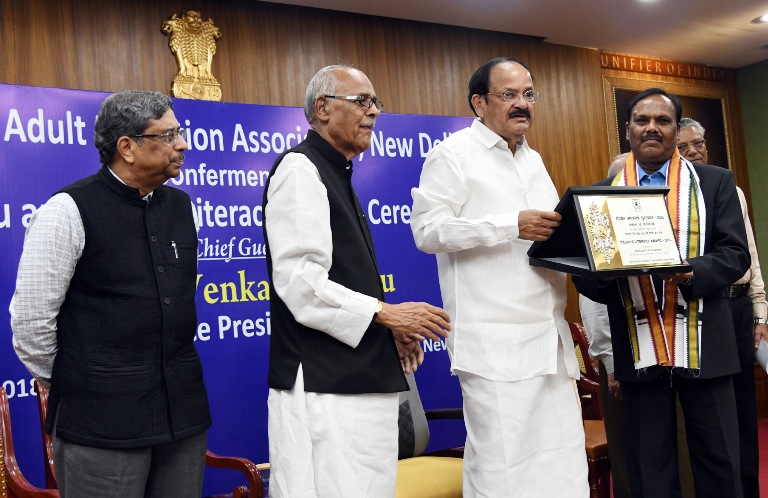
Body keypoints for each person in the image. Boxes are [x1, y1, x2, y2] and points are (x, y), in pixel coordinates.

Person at [261, 64, 451, 498]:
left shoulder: (337, 172)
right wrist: (386, 314)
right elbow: (300, 282)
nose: (374, 112)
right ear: (323, 108)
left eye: (376, 103)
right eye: (362, 101)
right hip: (326, 385)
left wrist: (389, 333)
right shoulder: (300, 169)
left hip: (359, 376)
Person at [10, 90, 211, 497]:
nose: (183, 144)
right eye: (168, 134)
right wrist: (85, 383)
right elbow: (31, 324)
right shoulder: (66, 211)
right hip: (100, 424)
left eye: (180, 131)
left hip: (182, 417)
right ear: (128, 147)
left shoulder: (183, 206)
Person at [410, 57, 588, 497]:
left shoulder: (535, 160)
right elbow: (427, 230)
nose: (521, 104)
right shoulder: (452, 155)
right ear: (479, 103)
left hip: (548, 341)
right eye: (508, 95)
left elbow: (544, 237)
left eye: (528, 94)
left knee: (561, 464)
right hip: (494, 348)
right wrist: (510, 225)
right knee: (504, 471)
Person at [574, 88, 751, 498]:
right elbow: (585, 277)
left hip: (707, 344)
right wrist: (604, 274)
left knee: (720, 460)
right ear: (628, 129)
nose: (651, 128)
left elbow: (735, 254)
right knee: (649, 466)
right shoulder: (602, 193)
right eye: (642, 120)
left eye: (663, 120)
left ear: (675, 129)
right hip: (640, 349)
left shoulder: (715, 182)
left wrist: (691, 271)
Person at [679, 117, 768, 498]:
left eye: (698, 143)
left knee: (744, 415)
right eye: (683, 147)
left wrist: (761, 312)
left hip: (739, 312)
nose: (694, 151)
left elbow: (750, 255)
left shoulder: (728, 187)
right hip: (701, 310)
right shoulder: (674, 196)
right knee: (715, 419)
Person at [578, 152, 632, 498]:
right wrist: (611, 363)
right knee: (628, 452)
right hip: (620, 365)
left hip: (657, 358)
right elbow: (594, 306)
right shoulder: (600, 226)